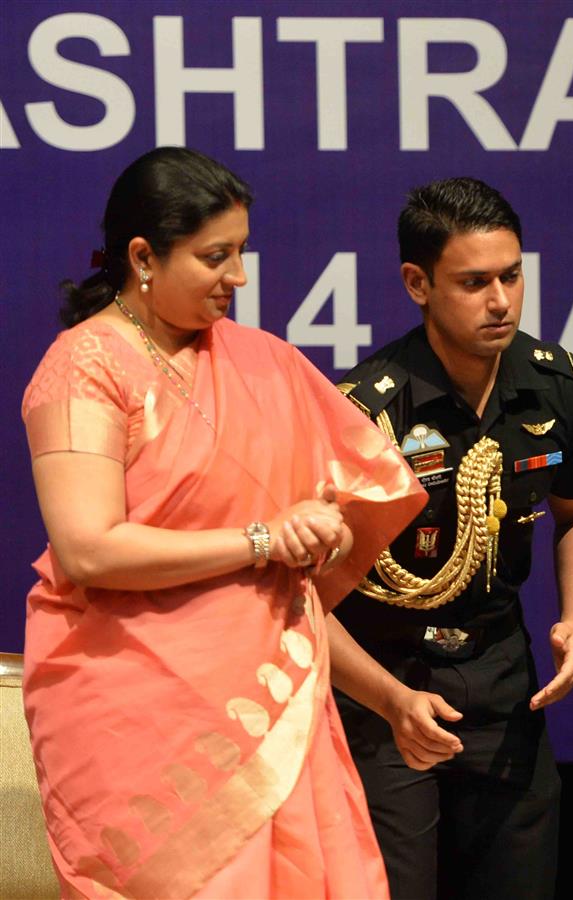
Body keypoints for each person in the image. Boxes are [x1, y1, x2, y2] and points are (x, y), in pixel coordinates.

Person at [20, 146, 425, 897]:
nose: (237, 277)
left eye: (240, 252)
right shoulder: (83, 367)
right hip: (139, 724)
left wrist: (321, 533)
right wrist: (266, 538)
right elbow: (87, 550)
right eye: (215, 257)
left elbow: (322, 534)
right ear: (143, 256)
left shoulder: (264, 364)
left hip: (272, 697)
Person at [328, 177, 573, 899]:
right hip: (384, 690)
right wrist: (391, 699)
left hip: (503, 684)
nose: (501, 302)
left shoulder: (554, 384)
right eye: (474, 282)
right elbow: (301, 599)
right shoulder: (364, 414)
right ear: (417, 283)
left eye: (512, 276)